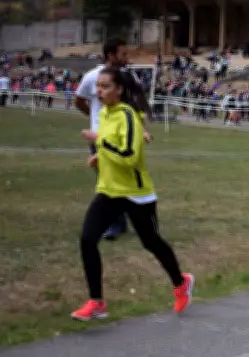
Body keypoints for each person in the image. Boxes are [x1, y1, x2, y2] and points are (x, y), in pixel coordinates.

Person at [71, 67, 193, 321]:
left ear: (119, 90)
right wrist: (99, 157)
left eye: (105, 86)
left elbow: (128, 157)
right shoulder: (105, 113)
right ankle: (97, 302)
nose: (99, 91)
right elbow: (114, 150)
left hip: (135, 192)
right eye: (98, 86)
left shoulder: (128, 116)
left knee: (151, 242)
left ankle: (181, 282)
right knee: (87, 239)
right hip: (109, 190)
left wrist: (100, 142)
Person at [75, 38, 151, 241]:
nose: (127, 58)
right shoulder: (92, 76)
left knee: (124, 178)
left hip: (124, 137)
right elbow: (79, 99)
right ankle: (116, 223)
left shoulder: (128, 76)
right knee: (107, 181)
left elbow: (136, 104)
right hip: (100, 138)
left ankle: (127, 217)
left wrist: (141, 129)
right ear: (111, 55)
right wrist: (95, 120)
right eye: (123, 54)